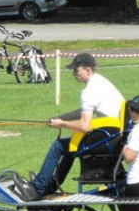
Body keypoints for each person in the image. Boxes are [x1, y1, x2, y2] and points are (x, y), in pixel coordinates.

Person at [21, 53, 124, 200]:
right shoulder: (102, 83)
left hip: (107, 139)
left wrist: (61, 124)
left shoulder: (89, 91)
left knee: (58, 146)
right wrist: (61, 117)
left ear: (87, 70)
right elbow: (83, 112)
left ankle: (38, 187)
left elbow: (84, 126)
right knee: (70, 147)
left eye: (76, 70)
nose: (73, 74)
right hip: (114, 136)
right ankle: (51, 185)